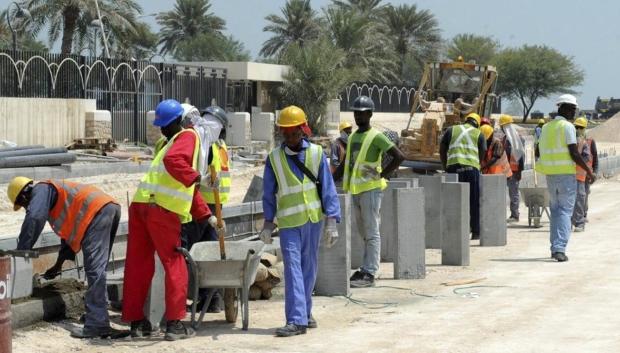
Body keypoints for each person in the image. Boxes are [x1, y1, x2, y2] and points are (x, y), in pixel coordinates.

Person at [122, 99, 217, 341]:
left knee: (138, 266)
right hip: (162, 212)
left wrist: (206, 215)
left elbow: (180, 184)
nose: (161, 130)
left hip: (141, 205)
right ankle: (174, 324)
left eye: (162, 126)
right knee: (175, 263)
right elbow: (176, 166)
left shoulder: (165, 143)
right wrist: (199, 178)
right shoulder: (188, 137)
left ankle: (137, 323)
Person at [7, 177, 128, 339]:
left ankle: (97, 324)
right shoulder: (58, 199)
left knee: (95, 270)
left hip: (97, 212)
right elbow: (69, 237)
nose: (26, 209)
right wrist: (57, 266)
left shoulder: (42, 189)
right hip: (105, 208)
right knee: (98, 269)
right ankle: (97, 314)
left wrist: (22, 250)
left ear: (23, 196)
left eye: (23, 206)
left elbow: (34, 217)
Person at [259, 105, 341, 337]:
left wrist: (332, 221)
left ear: (303, 130)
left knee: (309, 268)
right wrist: (267, 223)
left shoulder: (316, 154)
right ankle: (296, 320)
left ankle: (305, 312)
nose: (290, 137)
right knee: (293, 268)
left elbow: (328, 189)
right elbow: (268, 193)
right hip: (288, 223)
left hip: (312, 220)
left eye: (294, 133)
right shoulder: (274, 159)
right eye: (286, 133)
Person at [343, 96, 405, 287]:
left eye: (362, 113)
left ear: (370, 114)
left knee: (372, 232)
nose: (358, 117)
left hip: (371, 189)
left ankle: (370, 272)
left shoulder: (376, 136)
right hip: (356, 190)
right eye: (356, 113)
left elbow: (399, 156)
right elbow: (348, 163)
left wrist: (382, 175)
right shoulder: (353, 136)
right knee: (364, 232)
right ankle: (365, 267)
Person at [535, 94, 595, 262]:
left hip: (550, 174)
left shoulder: (546, 127)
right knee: (564, 212)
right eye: (573, 110)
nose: (574, 113)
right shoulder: (567, 127)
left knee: (555, 211)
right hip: (566, 176)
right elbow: (574, 153)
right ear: (565, 108)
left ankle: (555, 247)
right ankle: (559, 248)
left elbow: (538, 151)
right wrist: (588, 171)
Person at [440, 112, 486, 240]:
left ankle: (453, 231)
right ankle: (476, 232)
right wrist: (478, 165)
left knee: (453, 201)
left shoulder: (451, 130)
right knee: (474, 201)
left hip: (454, 168)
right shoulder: (478, 133)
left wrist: (445, 166)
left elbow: (442, 149)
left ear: (466, 120)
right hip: (472, 169)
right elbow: (482, 151)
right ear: (477, 123)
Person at [499, 115, 525, 223]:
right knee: (508, 193)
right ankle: (512, 213)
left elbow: (521, 156)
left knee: (513, 193)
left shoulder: (517, 138)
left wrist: (519, 171)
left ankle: (515, 214)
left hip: (514, 171)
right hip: (505, 170)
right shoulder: (505, 139)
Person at [571, 117, 594, 232]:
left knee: (580, 199)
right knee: (572, 200)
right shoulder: (569, 141)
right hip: (570, 175)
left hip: (579, 175)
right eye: (577, 127)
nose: (578, 129)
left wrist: (590, 173)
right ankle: (574, 221)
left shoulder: (583, 142)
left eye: (580, 128)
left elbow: (588, 158)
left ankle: (579, 221)